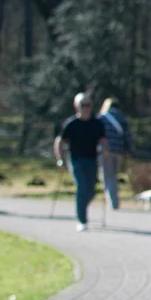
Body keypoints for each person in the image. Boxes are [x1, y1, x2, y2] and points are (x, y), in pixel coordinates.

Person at [54, 93, 109, 232]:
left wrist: (105, 150)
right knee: (82, 187)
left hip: (92, 160)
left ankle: (81, 208)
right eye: (83, 105)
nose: (86, 108)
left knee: (91, 191)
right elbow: (59, 141)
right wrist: (60, 159)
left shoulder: (97, 123)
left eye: (88, 105)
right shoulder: (71, 124)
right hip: (76, 159)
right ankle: (82, 220)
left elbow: (103, 141)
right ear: (76, 106)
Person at [98, 98, 133, 210]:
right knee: (114, 176)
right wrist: (128, 150)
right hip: (119, 151)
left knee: (107, 176)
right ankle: (114, 200)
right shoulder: (122, 118)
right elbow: (127, 136)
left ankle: (112, 201)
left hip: (105, 151)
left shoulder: (102, 118)